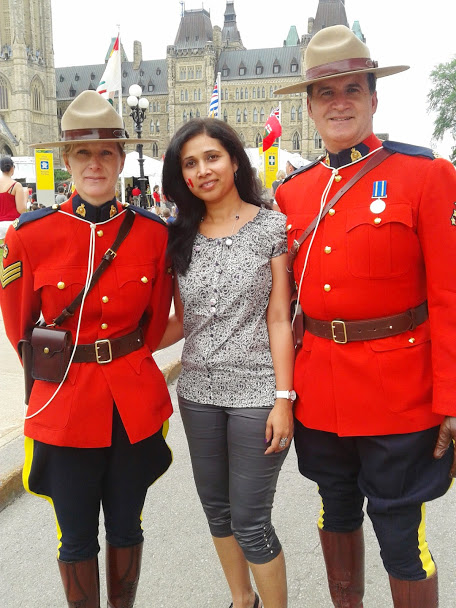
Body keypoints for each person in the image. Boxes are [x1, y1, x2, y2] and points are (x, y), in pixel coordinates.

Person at [274, 24, 456, 608]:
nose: (340, 102)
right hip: (321, 391)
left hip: (402, 394)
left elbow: (451, 297)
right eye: (325, 93)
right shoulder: (294, 194)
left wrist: (452, 398)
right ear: (308, 105)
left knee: (401, 534)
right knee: (335, 510)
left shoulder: (425, 176)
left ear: (374, 97)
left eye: (352, 88)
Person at [0, 90, 173, 608]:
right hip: (65, 404)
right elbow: (18, 329)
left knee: (126, 527)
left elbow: (154, 319)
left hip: (132, 405)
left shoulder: (151, 234)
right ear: (68, 160)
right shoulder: (30, 237)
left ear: (121, 159)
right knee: (75, 535)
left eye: (106, 153)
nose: (95, 164)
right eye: (83, 153)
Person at [160, 117, 294, 608]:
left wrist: (284, 399)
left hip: (258, 395)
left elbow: (279, 318)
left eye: (211, 157)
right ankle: (243, 601)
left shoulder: (271, 227)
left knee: (252, 521)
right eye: (190, 164)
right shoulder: (180, 237)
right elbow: (182, 320)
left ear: (235, 160)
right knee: (217, 512)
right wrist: (117, 341)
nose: (202, 171)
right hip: (197, 395)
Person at [0, 156, 27, 240]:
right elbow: (21, 210)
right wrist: (25, 197)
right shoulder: (16, 185)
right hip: (13, 224)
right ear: (12, 168)